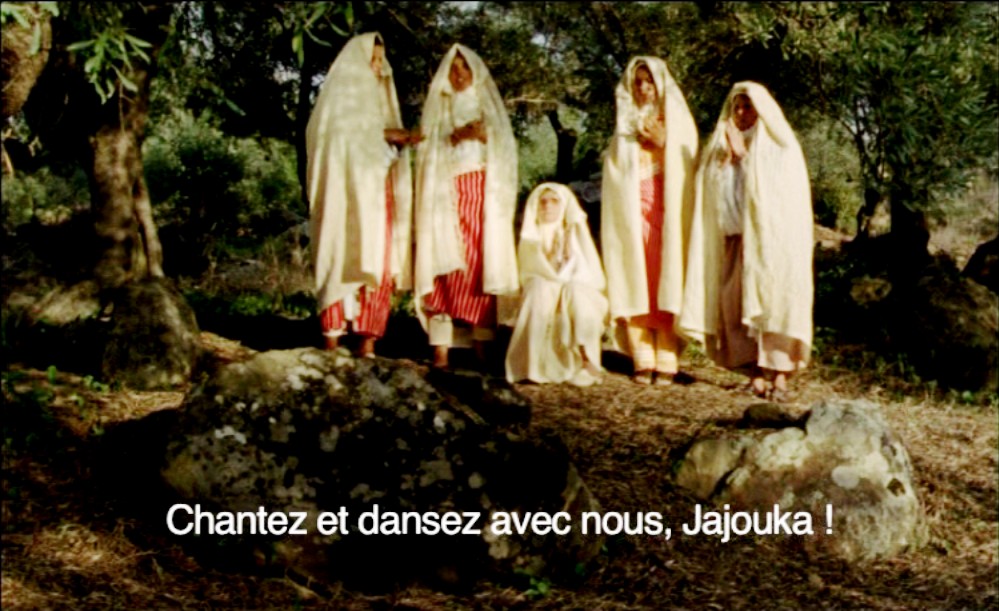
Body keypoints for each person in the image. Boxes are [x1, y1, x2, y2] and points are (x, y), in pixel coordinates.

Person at [678, 82, 813, 401]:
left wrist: (743, 156)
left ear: (761, 109)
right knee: (735, 302)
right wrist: (724, 162)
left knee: (775, 305)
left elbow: (781, 192)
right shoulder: (720, 144)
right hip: (736, 237)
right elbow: (710, 189)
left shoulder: (780, 144)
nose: (741, 113)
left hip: (774, 244)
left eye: (747, 106)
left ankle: (780, 375)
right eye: (736, 107)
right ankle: (754, 373)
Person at [305, 33, 421, 357]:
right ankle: (332, 337)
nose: (378, 66)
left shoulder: (381, 100)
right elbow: (332, 139)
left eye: (381, 60)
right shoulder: (338, 101)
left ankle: (368, 340)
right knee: (338, 254)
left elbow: (383, 144)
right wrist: (383, 135)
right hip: (341, 196)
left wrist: (397, 138)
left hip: (376, 194)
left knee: (377, 257)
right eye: (372, 59)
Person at [414, 44, 518, 370]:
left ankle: (481, 344)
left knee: (478, 262)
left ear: (475, 72)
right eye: (453, 69)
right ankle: (441, 347)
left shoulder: (487, 106)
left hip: (482, 190)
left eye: (465, 68)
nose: (459, 75)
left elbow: (505, 148)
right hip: (444, 191)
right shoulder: (440, 105)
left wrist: (485, 136)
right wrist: (454, 135)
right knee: (444, 263)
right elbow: (427, 145)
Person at [601, 56, 699, 385]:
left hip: (666, 209)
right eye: (638, 82)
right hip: (633, 212)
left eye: (649, 82)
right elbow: (615, 170)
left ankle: (667, 356)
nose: (643, 88)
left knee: (664, 277)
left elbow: (688, 160)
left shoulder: (677, 121)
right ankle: (641, 356)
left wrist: (664, 143)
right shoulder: (625, 125)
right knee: (635, 276)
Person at [505, 183, 608, 386]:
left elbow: (586, 272)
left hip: (574, 285)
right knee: (539, 290)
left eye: (554, 201)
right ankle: (534, 365)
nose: (548, 206)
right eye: (543, 202)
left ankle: (587, 361)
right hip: (543, 284)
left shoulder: (574, 231)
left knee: (576, 293)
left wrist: (566, 267)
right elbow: (530, 271)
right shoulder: (531, 235)